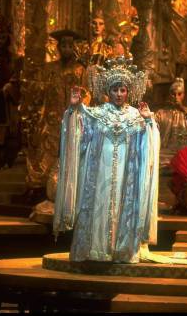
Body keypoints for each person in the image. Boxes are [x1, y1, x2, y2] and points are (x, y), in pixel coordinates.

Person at [53, 57, 159, 263]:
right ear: (107, 91)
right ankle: (95, 250)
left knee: (123, 204)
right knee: (99, 205)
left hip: (126, 174)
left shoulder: (136, 116)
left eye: (123, 90)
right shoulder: (96, 114)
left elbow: (148, 145)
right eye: (114, 90)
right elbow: (78, 134)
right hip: (99, 171)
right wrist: (74, 110)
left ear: (129, 92)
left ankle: (122, 251)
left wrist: (148, 121)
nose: (119, 94)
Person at [25, 29, 91, 206]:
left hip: (72, 117)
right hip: (51, 118)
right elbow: (39, 90)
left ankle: (68, 188)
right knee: (45, 150)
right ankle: (39, 186)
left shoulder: (80, 70)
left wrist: (78, 108)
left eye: (70, 45)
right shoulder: (49, 68)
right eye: (63, 45)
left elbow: (85, 93)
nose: (67, 49)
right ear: (59, 47)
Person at [154, 78, 187, 151]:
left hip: (183, 153)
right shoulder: (160, 113)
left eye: (179, 94)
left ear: (183, 95)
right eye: (173, 94)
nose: (176, 97)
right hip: (164, 153)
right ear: (170, 95)